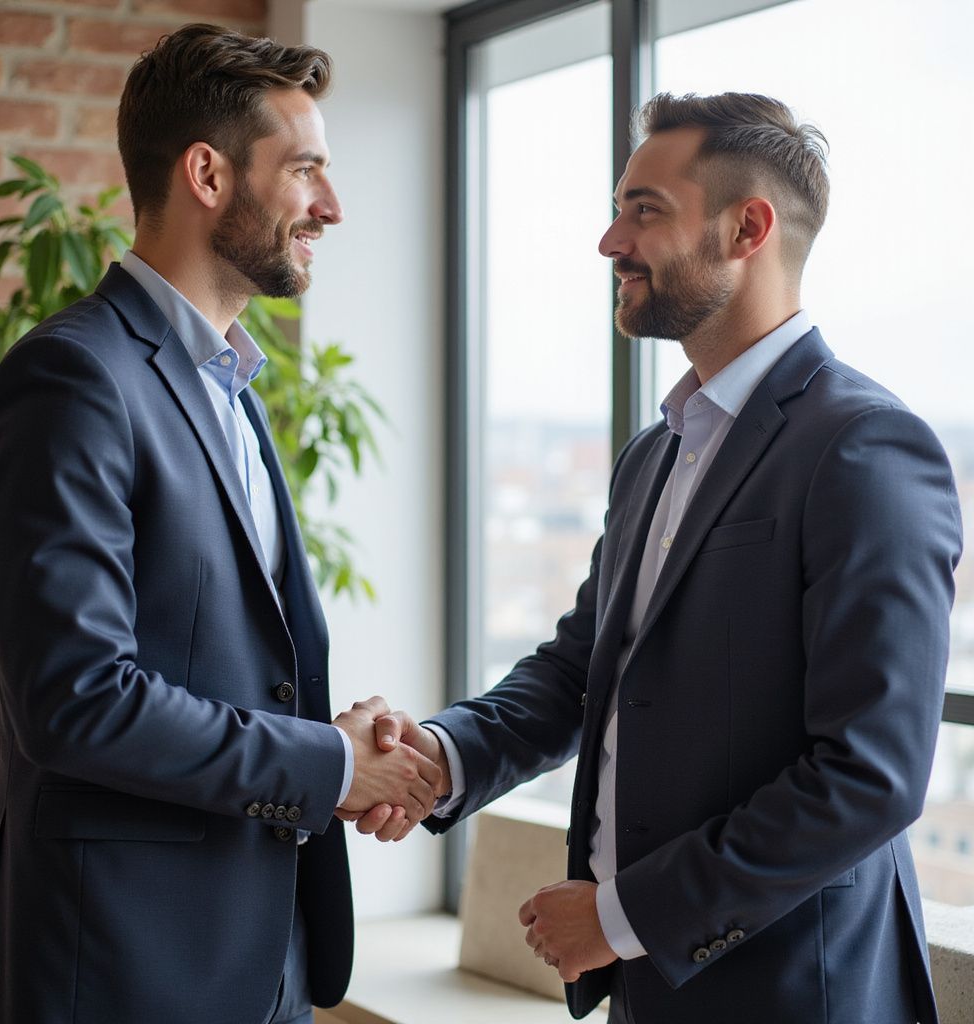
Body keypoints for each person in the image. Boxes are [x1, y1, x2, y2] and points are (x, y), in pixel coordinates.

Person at [371, 93, 963, 1023]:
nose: (611, 241)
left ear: (747, 228)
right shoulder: (656, 453)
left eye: (644, 209)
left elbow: (870, 775)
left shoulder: (866, 447)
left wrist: (621, 915)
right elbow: (581, 670)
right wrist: (441, 756)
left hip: (796, 994)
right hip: (650, 992)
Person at [0, 23, 439, 1024]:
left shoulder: (234, 387)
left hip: (261, 960)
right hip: (122, 970)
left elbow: (229, 659)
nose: (333, 207)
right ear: (209, 174)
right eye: (305, 170)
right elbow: (79, 699)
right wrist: (334, 764)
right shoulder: (72, 378)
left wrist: (345, 745)